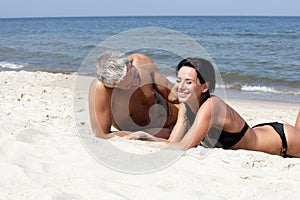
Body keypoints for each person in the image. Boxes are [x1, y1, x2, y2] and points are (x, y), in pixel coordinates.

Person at [128, 57, 300, 158]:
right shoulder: (185, 107)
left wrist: (148, 141)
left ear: (204, 87)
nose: (180, 86)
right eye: (178, 80)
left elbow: (184, 147)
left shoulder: (212, 106)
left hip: (284, 141)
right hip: (262, 131)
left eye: (188, 82)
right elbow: (174, 143)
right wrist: (144, 137)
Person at [88, 51, 179, 139]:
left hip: (172, 114)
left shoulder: (141, 62)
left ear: (129, 64)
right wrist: (147, 133)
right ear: (114, 86)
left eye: (136, 75)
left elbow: (170, 93)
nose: (136, 83)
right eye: (129, 85)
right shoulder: (102, 90)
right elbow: (101, 133)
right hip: (147, 130)